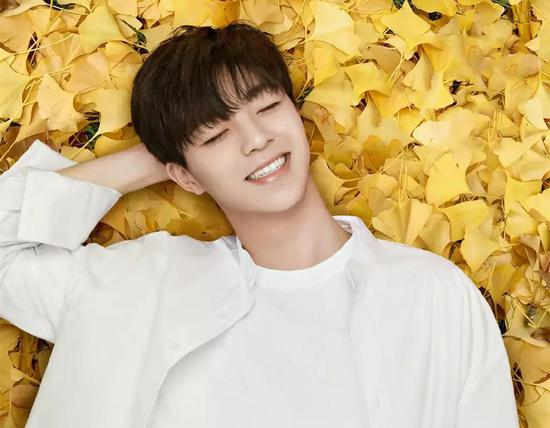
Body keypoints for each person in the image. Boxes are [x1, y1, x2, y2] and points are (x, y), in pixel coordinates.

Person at [0, 21, 518, 428]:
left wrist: (197, 142)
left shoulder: (429, 292)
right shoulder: (140, 283)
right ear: (183, 175)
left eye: (268, 107)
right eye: (216, 136)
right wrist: (162, 153)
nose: (256, 140)